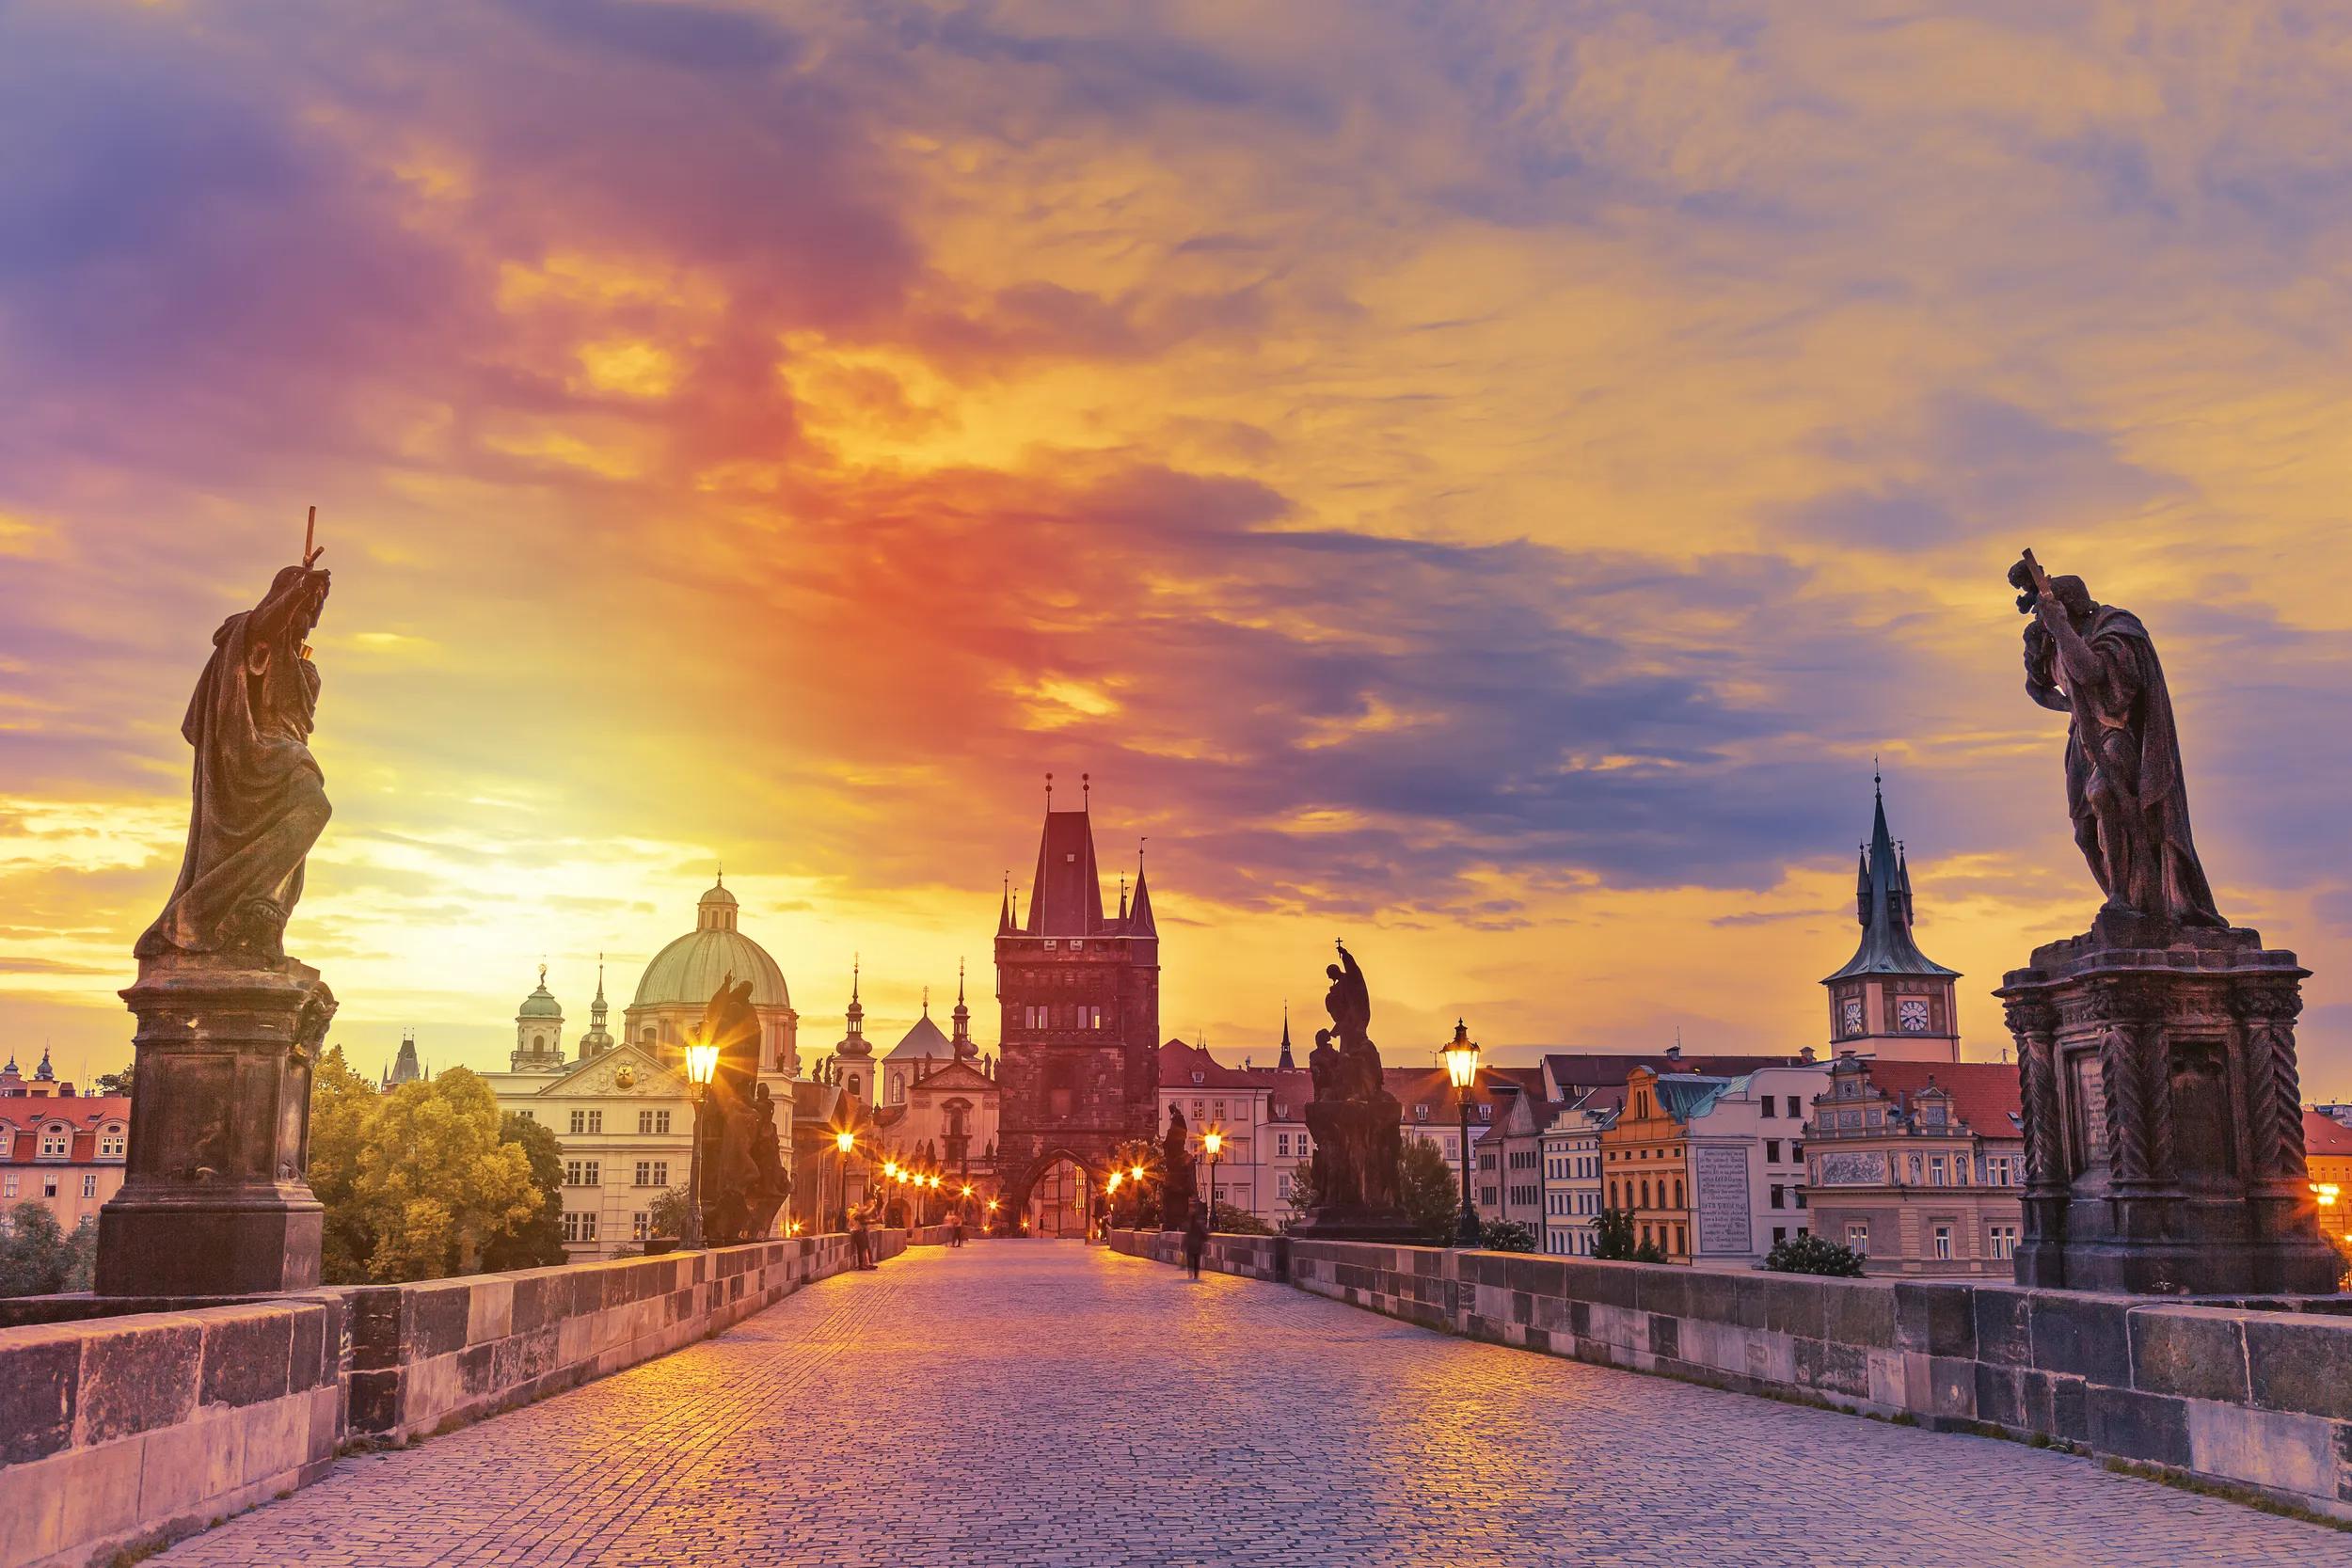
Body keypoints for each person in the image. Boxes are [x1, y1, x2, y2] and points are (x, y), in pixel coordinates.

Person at [1183, 1197, 1209, 1281]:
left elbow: (1186, 1236)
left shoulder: (1189, 1225)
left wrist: (1183, 1245)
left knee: (1190, 1259)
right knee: (1197, 1260)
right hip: (1197, 1246)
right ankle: (1196, 1275)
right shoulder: (1199, 1225)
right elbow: (1204, 1235)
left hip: (1190, 1246)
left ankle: (1190, 1273)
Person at [850, 1204, 874, 1270]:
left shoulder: (859, 1215)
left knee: (863, 1249)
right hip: (858, 1233)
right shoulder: (857, 1214)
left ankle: (865, 1264)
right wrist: (872, 1207)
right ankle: (862, 1265)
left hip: (859, 1232)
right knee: (861, 1249)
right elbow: (865, 1216)